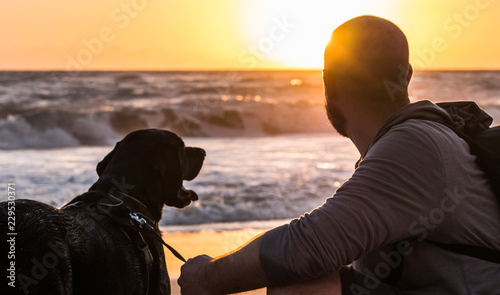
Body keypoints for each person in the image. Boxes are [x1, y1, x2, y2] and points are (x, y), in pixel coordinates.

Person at [178, 15, 500, 294]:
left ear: (327, 82)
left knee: (300, 288)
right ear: (407, 76)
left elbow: (308, 247)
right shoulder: (416, 142)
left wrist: (209, 277)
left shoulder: (414, 144)